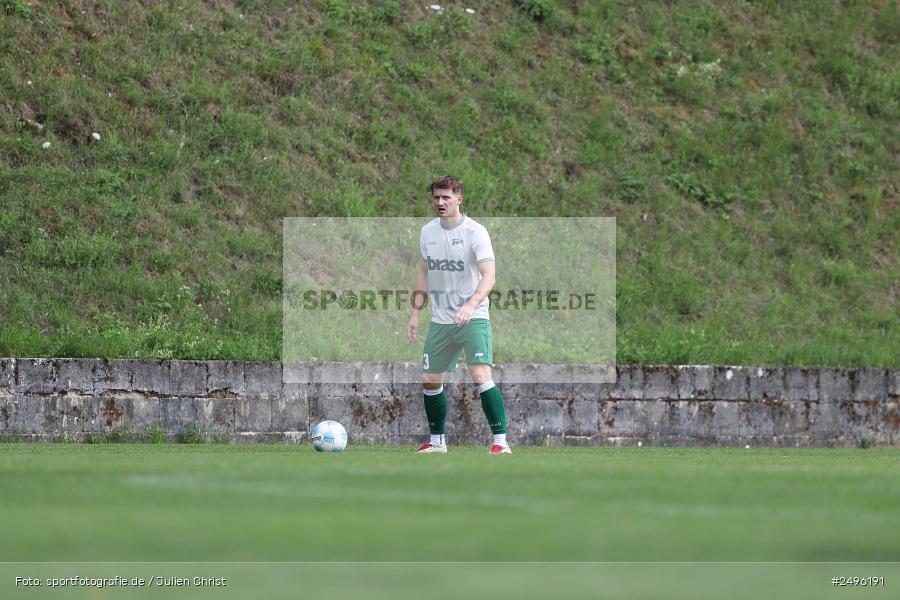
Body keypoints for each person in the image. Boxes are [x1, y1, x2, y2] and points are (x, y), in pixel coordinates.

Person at [407, 175, 511, 454]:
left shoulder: (475, 232)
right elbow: (423, 273)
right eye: (436, 197)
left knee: (480, 375)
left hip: (473, 317)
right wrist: (415, 314)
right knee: (430, 380)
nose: (440, 202)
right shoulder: (427, 232)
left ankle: (501, 442)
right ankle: (437, 441)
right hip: (442, 320)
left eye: (446, 197)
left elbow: (489, 275)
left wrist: (470, 305)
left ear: (459, 199)